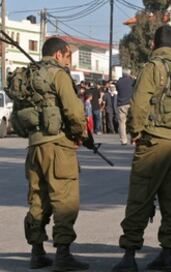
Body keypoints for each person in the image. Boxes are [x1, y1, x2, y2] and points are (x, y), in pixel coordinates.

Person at [112, 25, 171, 272]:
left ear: (153, 44)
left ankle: (129, 256)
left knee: (140, 199)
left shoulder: (152, 68)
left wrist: (135, 133)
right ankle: (168, 254)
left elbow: (139, 104)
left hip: (153, 142)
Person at [8, 37, 89, 270]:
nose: (68, 63)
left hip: (34, 146)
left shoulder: (28, 76)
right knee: (64, 199)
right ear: (58, 55)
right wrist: (78, 134)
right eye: (68, 57)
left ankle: (37, 252)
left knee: (38, 198)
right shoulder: (58, 74)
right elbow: (74, 111)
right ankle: (63, 254)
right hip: (58, 146)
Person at [116, 69, 134, 145]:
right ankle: (133, 139)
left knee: (122, 123)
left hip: (121, 104)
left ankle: (123, 140)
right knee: (133, 122)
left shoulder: (119, 82)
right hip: (131, 103)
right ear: (129, 74)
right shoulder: (132, 81)